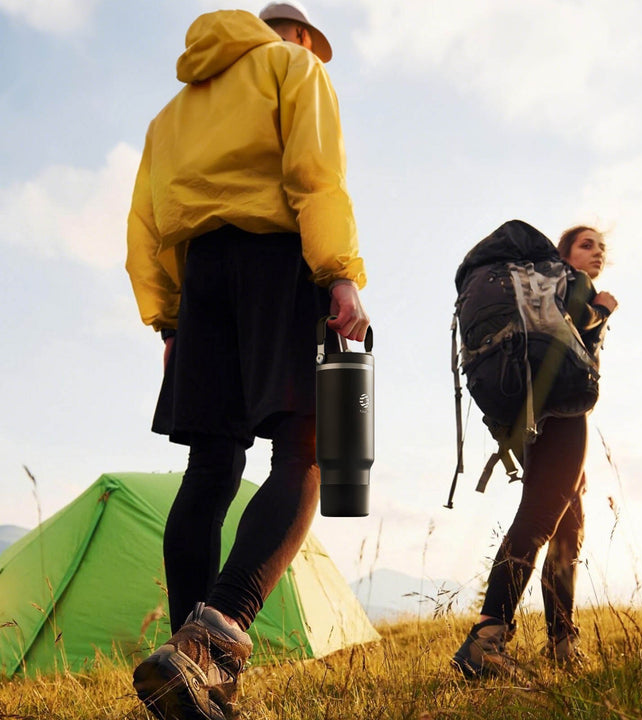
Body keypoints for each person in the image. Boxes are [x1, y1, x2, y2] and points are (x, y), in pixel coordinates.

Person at [125, 3, 369, 719]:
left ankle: (186, 663)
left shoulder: (170, 115)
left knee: (211, 469)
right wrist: (340, 273)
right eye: (309, 42)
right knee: (307, 452)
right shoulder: (293, 69)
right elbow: (315, 174)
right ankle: (216, 641)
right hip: (278, 260)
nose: (311, 52)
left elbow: (145, 224)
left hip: (201, 280)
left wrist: (169, 317)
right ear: (292, 37)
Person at [452, 226, 617, 677]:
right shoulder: (571, 281)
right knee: (545, 513)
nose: (597, 254)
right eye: (587, 245)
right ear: (563, 253)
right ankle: (489, 636)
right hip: (561, 407)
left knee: (568, 517)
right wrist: (601, 308)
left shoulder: (529, 290)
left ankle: (562, 641)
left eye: (601, 248)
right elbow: (581, 330)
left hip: (519, 407)